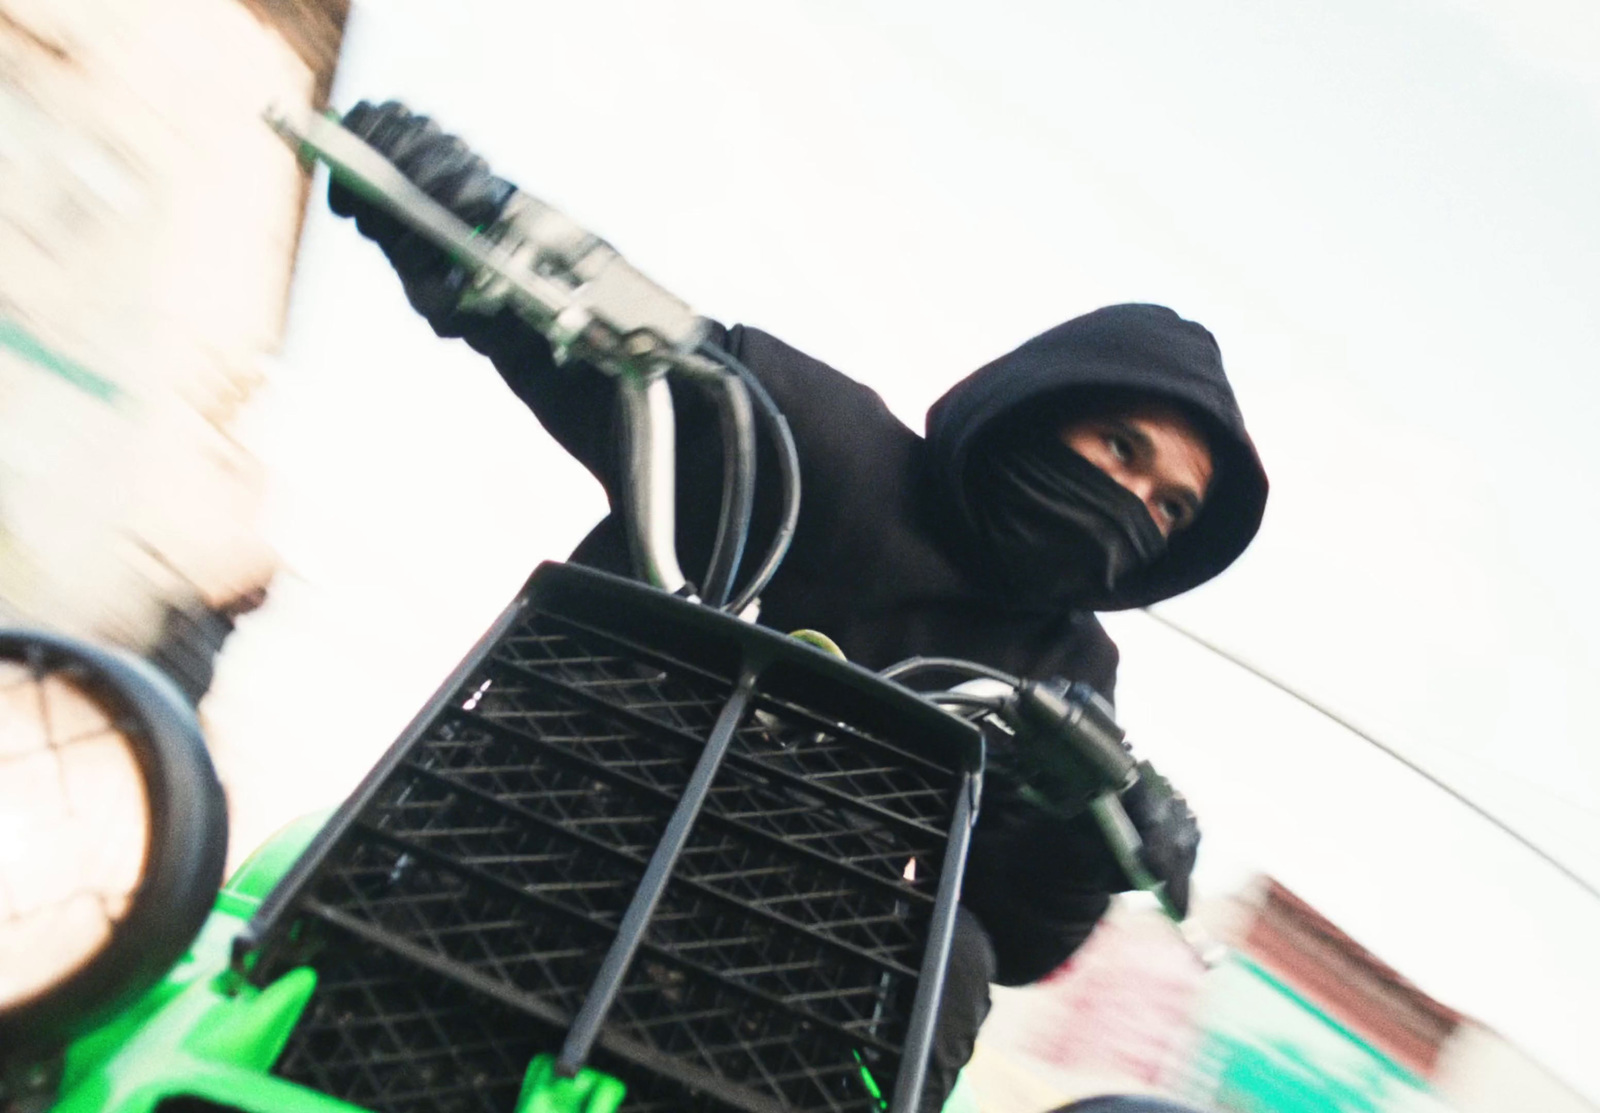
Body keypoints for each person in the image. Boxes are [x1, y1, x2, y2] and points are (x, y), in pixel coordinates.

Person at [328, 100, 1269, 1113]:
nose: (1133, 508)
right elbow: (623, 344)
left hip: (759, 998)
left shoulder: (1066, 669)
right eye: (1121, 450)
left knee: (948, 954)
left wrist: (1090, 836)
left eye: (1170, 510)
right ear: (1037, 407)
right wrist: (455, 209)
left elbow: (1013, 935)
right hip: (535, 827)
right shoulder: (815, 440)